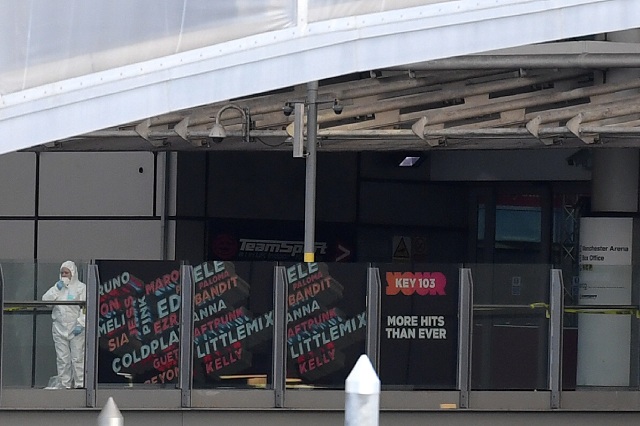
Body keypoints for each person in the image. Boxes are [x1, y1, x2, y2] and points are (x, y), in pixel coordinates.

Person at [42, 260, 87, 389]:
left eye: (66, 272)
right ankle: (64, 384)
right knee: (62, 359)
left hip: (76, 329)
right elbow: (46, 301)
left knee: (78, 357)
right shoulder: (57, 288)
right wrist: (57, 288)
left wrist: (81, 323)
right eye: (62, 273)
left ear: (73, 273)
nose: (64, 275)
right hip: (59, 328)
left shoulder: (81, 288)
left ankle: (80, 384)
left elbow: (85, 308)